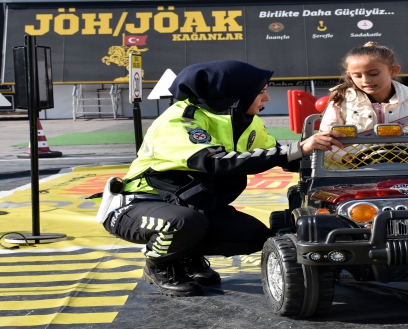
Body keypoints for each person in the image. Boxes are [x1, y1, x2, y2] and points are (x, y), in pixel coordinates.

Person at [95, 60, 344, 297]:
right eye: (261, 92)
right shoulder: (179, 120)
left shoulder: (246, 121)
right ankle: (158, 264)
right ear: (235, 92)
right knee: (183, 223)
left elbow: (280, 156)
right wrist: (299, 147)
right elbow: (215, 162)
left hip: (192, 208)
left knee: (254, 236)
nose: (266, 98)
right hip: (137, 206)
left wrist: (338, 157)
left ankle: (185, 254)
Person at [319, 42, 408, 166]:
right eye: (357, 75)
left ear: (393, 70)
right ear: (349, 75)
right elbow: (325, 142)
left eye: (373, 74)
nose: (366, 80)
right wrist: (346, 157)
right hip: (355, 174)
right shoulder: (341, 102)